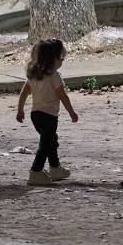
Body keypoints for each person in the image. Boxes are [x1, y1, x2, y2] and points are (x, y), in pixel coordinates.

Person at [16, 37, 79, 186]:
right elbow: (62, 96)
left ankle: (55, 168)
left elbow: (24, 93)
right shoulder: (54, 76)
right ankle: (36, 171)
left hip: (35, 115)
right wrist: (72, 112)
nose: (62, 61)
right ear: (53, 59)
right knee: (45, 145)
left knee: (51, 141)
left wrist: (20, 110)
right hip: (49, 116)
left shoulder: (34, 74)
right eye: (61, 58)